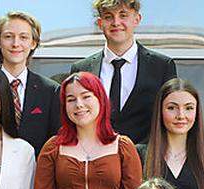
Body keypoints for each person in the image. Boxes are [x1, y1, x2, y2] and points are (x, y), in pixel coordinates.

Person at [68, 0, 176, 145]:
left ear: (137, 19)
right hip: (95, 159)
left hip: (145, 161)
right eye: (108, 17)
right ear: (100, 23)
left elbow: (169, 117)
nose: (116, 22)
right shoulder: (82, 68)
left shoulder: (162, 66)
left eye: (123, 15)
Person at [0, 11, 61, 154]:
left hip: (35, 173)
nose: (15, 44)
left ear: (33, 43)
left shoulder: (51, 90)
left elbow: (56, 141)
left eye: (23, 37)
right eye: (8, 37)